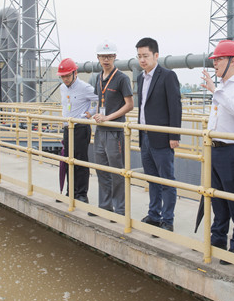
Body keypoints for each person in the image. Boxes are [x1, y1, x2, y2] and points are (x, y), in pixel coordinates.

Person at [201, 40, 234, 265]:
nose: (215, 64)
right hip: (215, 148)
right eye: (214, 60)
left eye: (219, 59)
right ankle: (218, 240)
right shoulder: (222, 85)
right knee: (217, 199)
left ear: (233, 61)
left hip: (232, 149)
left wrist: (215, 91)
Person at [136, 37, 182, 234]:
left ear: (156, 55)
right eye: (139, 56)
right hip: (145, 136)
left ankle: (167, 219)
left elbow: (175, 106)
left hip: (162, 137)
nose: (142, 60)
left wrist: (174, 135)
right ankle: (154, 215)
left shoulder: (167, 76)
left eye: (145, 56)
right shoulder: (140, 78)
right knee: (152, 179)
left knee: (166, 180)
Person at [92, 40, 134, 218]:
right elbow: (98, 100)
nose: (106, 60)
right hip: (100, 130)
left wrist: (108, 118)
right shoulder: (98, 78)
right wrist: (95, 115)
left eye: (109, 56)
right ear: (98, 58)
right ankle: (105, 206)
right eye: (103, 56)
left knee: (117, 171)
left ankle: (120, 209)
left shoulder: (122, 78)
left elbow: (129, 104)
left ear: (115, 57)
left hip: (114, 131)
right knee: (101, 169)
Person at [57, 58, 98, 203]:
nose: (65, 79)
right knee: (69, 160)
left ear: (75, 73)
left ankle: (81, 194)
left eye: (68, 76)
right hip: (67, 127)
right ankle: (71, 191)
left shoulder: (85, 87)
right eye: (63, 76)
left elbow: (100, 99)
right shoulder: (62, 88)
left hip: (80, 127)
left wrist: (90, 113)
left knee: (80, 161)